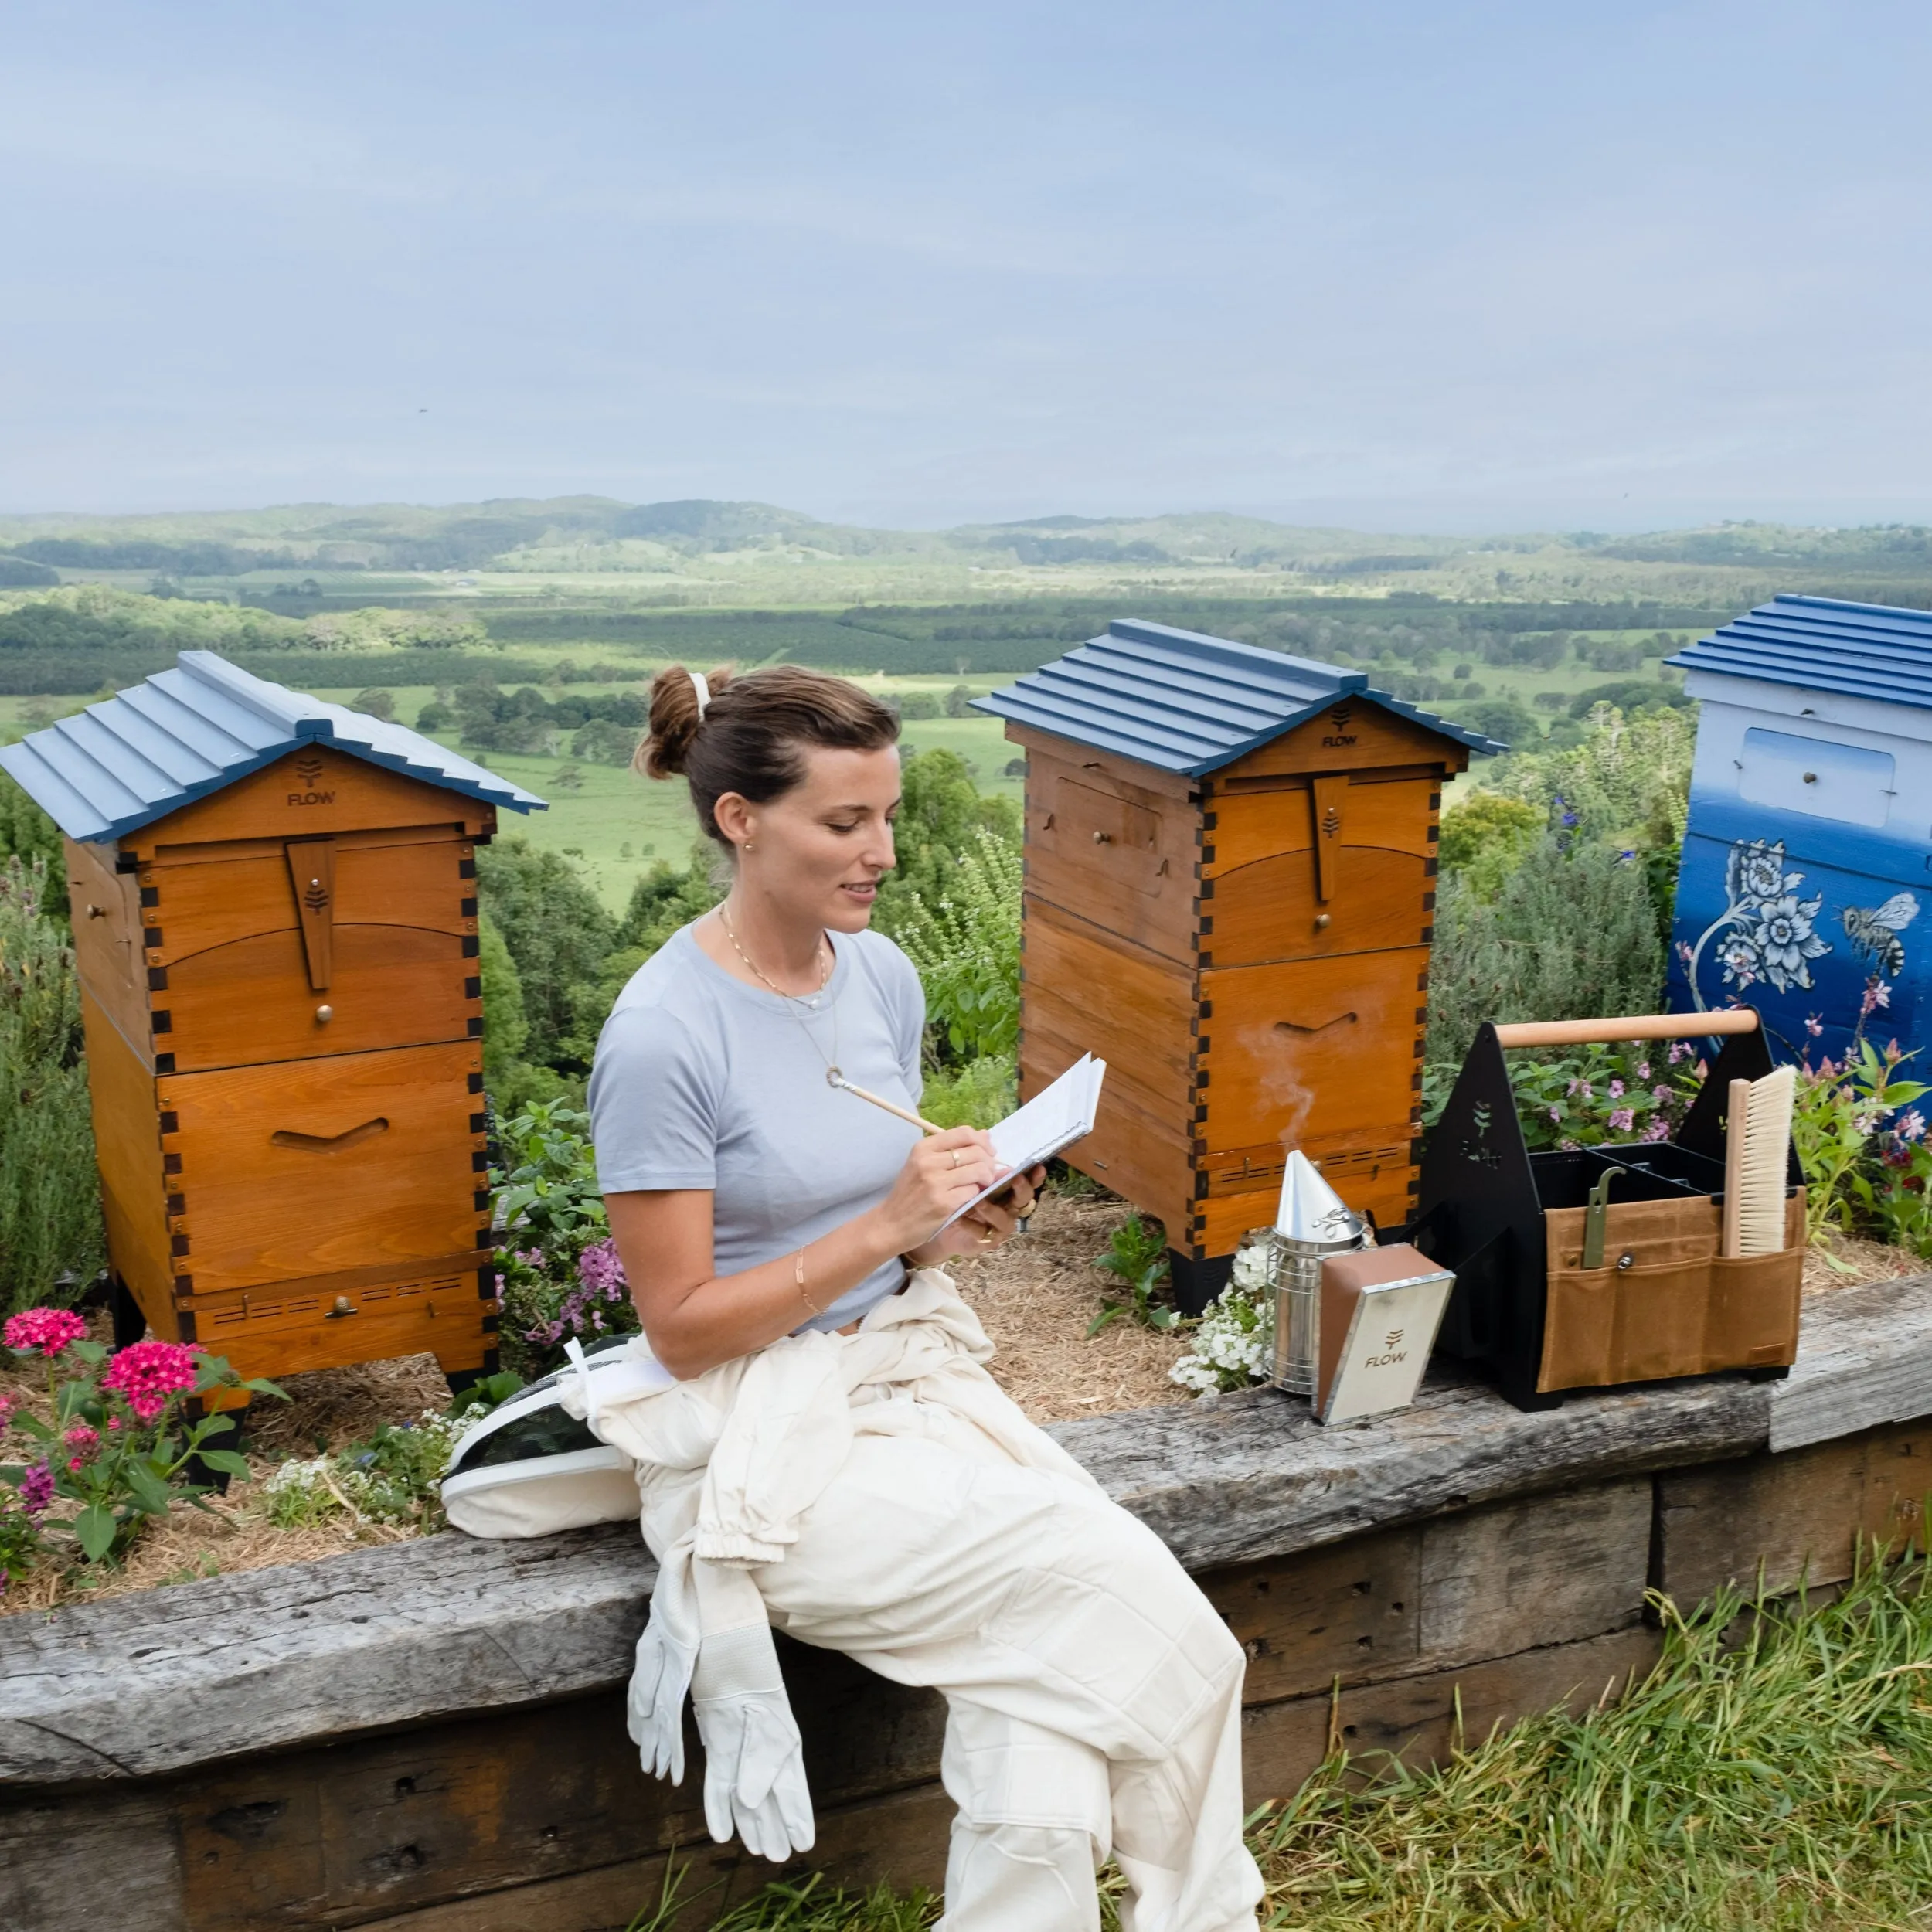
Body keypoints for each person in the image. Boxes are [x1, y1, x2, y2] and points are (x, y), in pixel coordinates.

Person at [583, 662, 1264, 1932]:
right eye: (845, 823)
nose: (881, 851)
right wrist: (885, 1226)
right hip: (757, 1441)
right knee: (1150, 1616)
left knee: (1037, 1713)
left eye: (887, 816)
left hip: (894, 1376)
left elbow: (886, 1238)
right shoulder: (665, 1034)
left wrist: (947, 1226)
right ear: (740, 820)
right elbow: (679, 1332)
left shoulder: (877, 976)